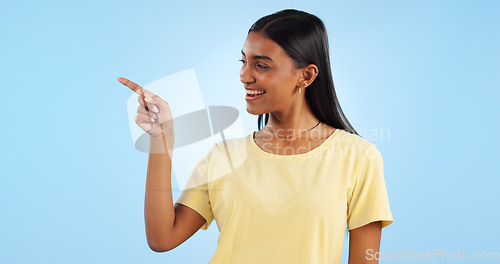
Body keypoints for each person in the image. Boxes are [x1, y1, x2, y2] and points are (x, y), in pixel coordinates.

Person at [118, 9, 393, 264]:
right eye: (243, 61)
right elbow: (162, 238)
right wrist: (161, 139)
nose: (244, 75)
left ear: (306, 76)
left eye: (261, 65)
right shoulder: (224, 156)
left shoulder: (358, 157)